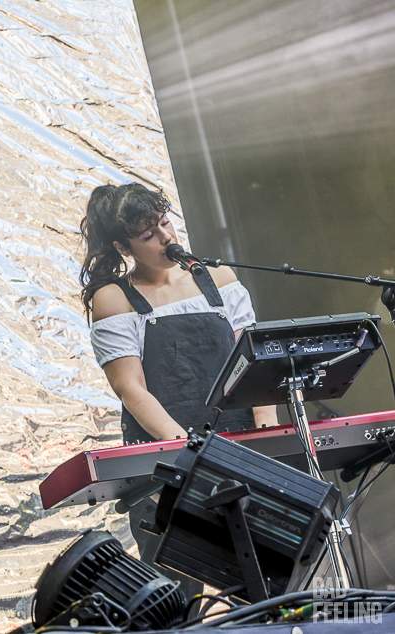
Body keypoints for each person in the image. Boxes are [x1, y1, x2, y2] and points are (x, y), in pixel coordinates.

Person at [79, 182, 276, 599]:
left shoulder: (220, 279)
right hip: (167, 467)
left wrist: (268, 442)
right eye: (148, 234)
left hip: (240, 451)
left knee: (266, 587)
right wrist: (189, 452)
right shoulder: (114, 298)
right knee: (176, 598)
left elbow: (254, 367)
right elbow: (131, 388)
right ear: (123, 246)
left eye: (165, 223)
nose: (165, 237)